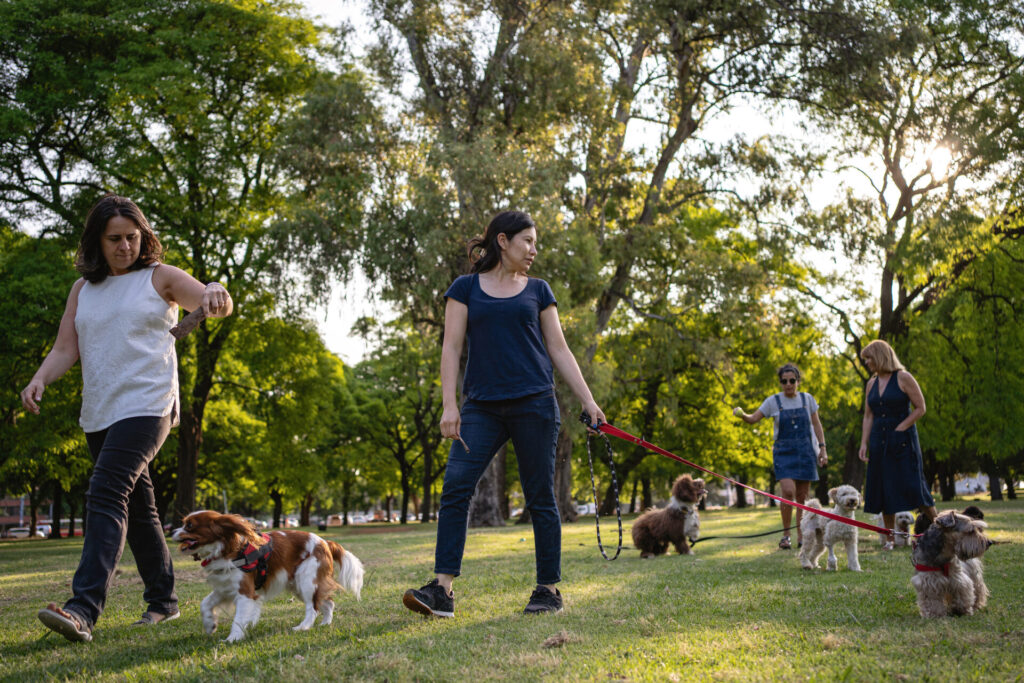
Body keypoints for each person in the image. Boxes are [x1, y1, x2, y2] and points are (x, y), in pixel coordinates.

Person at [20, 194, 233, 642]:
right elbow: (65, 348)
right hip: (100, 409)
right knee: (139, 509)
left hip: (148, 403)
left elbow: (216, 301)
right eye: (114, 238)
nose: (124, 246)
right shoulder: (83, 289)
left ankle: (82, 609)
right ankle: (163, 602)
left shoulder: (160, 278)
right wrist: (40, 378)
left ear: (144, 236)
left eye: (132, 237)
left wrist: (216, 291)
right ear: (97, 241)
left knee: (105, 491)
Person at [402, 210, 606, 618]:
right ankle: (441, 591)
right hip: (481, 406)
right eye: (527, 241)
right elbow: (451, 348)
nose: (534, 250)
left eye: (535, 242)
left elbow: (559, 349)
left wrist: (588, 400)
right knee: (456, 486)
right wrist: (449, 404)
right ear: (502, 241)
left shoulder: (538, 290)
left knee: (540, 497)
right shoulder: (465, 288)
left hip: (535, 403)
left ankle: (547, 590)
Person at [733, 363, 828, 550]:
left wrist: (822, 449)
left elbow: (817, 425)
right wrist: (742, 415)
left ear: (798, 381)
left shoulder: (807, 400)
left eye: (792, 380)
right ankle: (786, 535)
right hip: (783, 453)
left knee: (802, 496)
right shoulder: (773, 402)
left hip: (805, 451)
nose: (788, 384)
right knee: (788, 492)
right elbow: (753, 418)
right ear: (780, 383)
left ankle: (802, 535)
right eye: (784, 381)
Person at [858, 339, 936, 549]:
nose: (867, 363)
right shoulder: (871, 384)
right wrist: (864, 443)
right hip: (879, 442)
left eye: (869, 358)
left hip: (903, 442)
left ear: (881, 356)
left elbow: (920, 407)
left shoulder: (903, 377)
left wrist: (902, 427)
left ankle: (941, 529)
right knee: (884, 489)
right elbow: (868, 416)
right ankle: (890, 539)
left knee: (914, 487)